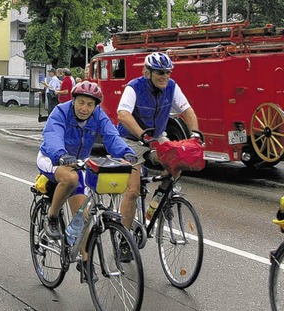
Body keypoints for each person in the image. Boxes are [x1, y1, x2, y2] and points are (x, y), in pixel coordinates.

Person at [39, 81, 136, 279]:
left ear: (95, 106)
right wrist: (61, 154)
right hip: (52, 158)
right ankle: (52, 217)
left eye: (90, 105)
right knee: (71, 178)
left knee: (82, 216)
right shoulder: (60, 111)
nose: (85, 108)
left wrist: (127, 153)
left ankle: (84, 261)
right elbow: (52, 135)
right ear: (73, 100)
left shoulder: (98, 115)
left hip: (78, 162)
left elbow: (111, 136)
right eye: (81, 102)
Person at [117, 52, 200, 232]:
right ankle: (124, 238)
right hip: (130, 139)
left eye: (168, 72)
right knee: (132, 191)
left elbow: (187, 110)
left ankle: (159, 197)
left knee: (177, 159)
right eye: (160, 72)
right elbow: (122, 114)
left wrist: (195, 135)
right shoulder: (134, 87)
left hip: (156, 136)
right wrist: (143, 136)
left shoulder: (171, 87)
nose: (165, 76)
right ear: (148, 73)